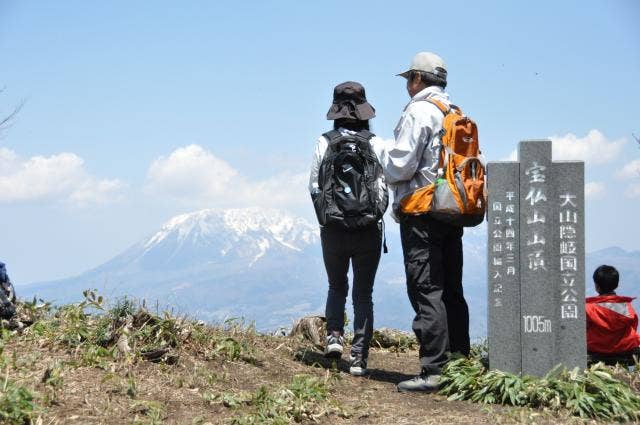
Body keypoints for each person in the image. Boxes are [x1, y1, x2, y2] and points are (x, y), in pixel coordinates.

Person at [383, 52, 469, 392]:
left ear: (418, 79)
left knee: (426, 289)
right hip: (453, 209)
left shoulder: (419, 110)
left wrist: (381, 156)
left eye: (409, 78)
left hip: (422, 211)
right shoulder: (455, 112)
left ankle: (434, 370)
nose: (407, 84)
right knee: (452, 289)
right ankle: (461, 364)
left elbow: (401, 165)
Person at [309, 81, 388, 376]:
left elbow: (314, 186)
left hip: (333, 228)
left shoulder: (325, 141)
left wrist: (327, 218)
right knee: (363, 293)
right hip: (368, 229)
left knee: (336, 285)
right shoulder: (375, 142)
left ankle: (333, 337)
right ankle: (359, 358)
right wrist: (373, 215)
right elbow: (382, 186)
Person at [586, 265, 640, 363]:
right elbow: (634, 327)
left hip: (596, 355)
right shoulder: (627, 307)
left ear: (596, 286)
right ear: (617, 284)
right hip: (626, 354)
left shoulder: (589, 308)